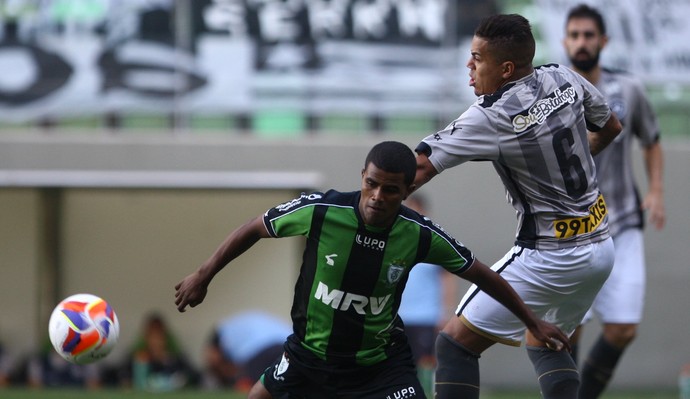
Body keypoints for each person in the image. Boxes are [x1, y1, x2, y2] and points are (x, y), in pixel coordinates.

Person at [174, 141, 569, 399]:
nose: (378, 197)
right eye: (372, 184)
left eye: (391, 190)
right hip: (309, 357)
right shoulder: (323, 211)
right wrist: (203, 275)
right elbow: (254, 228)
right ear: (363, 177)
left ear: (407, 191)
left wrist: (532, 322)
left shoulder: (419, 235)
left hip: (378, 367)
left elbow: (483, 274)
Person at [413, 14, 623, 399]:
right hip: (600, 249)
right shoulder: (564, 77)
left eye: (477, 57)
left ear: (505, 68)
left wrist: (368, 198)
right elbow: (610, 126)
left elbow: (421, 165)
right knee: (546, 340)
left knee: (455, 343)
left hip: (548, 255)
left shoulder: (492, 114)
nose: (469, 65)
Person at [562, 5, 665, 398]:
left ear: (603, 41)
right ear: (565, 41)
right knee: (568, 330)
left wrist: (656, 190)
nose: (582, 42)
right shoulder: (551, 92)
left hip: (622, 224)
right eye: (575, 35)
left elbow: (652, 140)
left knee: (623, 328)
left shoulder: (629, 90)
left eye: (589, 35)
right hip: (571, 232)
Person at [397, 194, 457, 396]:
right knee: (402, 363)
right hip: (399, 316)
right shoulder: (398, 242)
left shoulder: (434, 242)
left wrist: (446, 312)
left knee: (427, 362)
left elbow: (447, 279)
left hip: (426, 315)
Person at [203, 311, 291, 392]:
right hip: (288, 345)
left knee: (248, 385)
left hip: (263, 347)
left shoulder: (223, 332)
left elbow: (215, 359)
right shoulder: (237, 325)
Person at [120, 312, 198, 392]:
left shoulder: (176, 358)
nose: (156, 341)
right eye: (152, 336)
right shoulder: (137, 357)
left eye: (159, 336)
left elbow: (192, 374)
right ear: (146, 338)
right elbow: (122, 374)